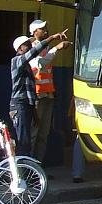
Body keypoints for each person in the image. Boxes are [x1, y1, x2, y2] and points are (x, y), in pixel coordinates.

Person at [9, 28, 70, 155]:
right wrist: (52, 38)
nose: (30, 47)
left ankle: (33, 170)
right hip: (20, 105)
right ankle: (24, 170)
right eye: (27, 45)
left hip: (28, 105)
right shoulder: (17, 61)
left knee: (32, 138)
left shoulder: (26, 66)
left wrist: (34, 112)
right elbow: (35, 52)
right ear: (20, 49)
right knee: (24, 141)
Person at [28, 18, 67, 162]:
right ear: (34, 32)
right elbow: (40, 64)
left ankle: (38, 167)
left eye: (45, 28)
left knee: (43, 135)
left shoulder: (44, 48)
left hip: (47, 95)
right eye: (42, 28)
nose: (45, 30)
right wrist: (56, 48)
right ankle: (29, 167)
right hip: (37, 96)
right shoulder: (31, 47)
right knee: (34, 133)